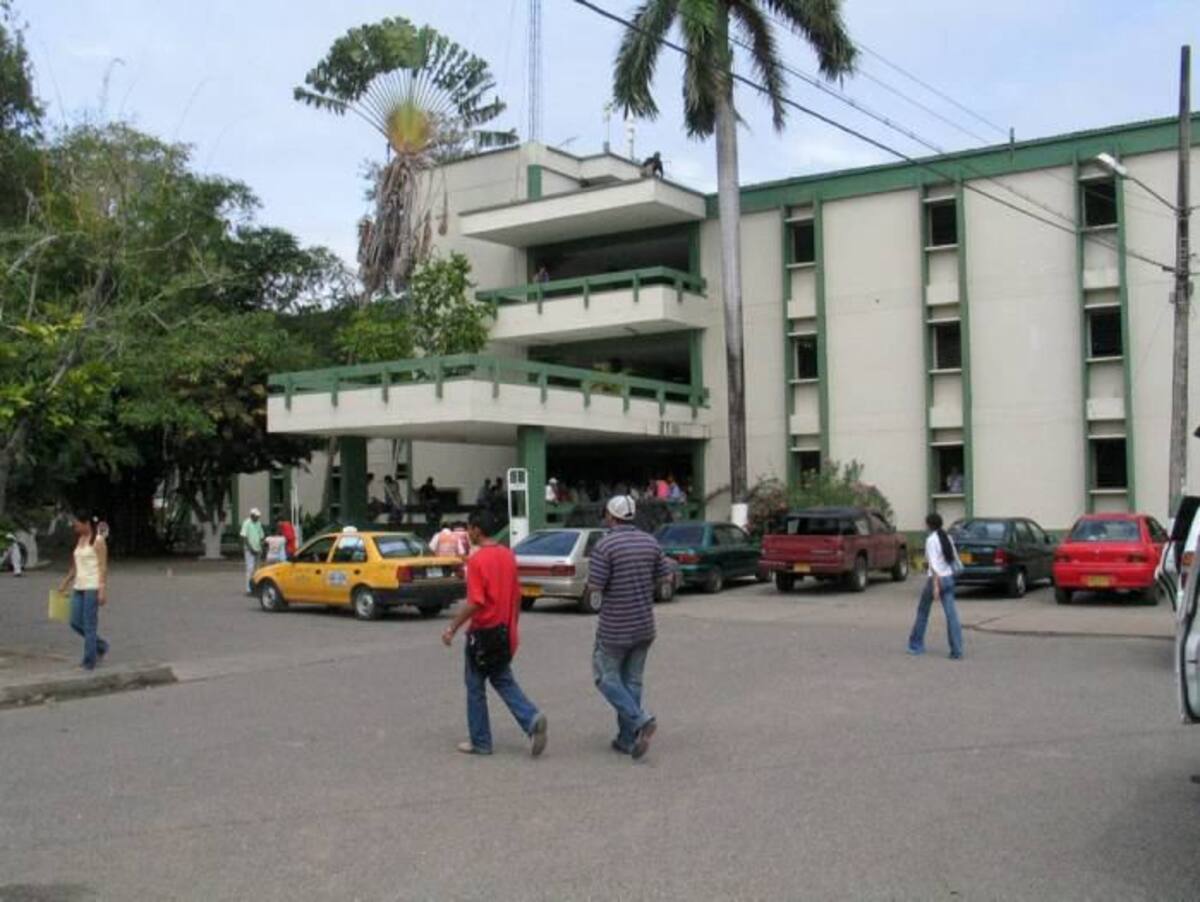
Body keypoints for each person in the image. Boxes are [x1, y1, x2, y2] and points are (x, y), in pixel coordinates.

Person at [441, 509, 548, 757]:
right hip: (504, 631)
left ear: (477, 530)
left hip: (482, 633)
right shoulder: (508, 555)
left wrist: (452, 627)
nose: (468, 533)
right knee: (502, 678)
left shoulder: (478, 561)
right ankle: (531, 719)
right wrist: (513, 626)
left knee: (475, 686)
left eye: (469, 528)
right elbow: (517, 596)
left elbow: (476, 601)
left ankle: (481, 741)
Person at [587, 495, 676, 760]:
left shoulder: (606, 545)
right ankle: (627, 740)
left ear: (610, 516)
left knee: (605, 678)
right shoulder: (650, 542)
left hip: (615, 627)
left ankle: (640, 720)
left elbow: (595, 586)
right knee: (632, 681)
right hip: (644, 625)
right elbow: (666, 577)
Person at [57, 511, 110, 671]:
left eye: (77, 524)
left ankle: (89, 662)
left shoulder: (98, 541)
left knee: (89, 624)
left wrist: (102, 589)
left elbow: (103, 567)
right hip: (78, 586)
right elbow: (74, 566)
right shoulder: (80, 540)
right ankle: (100, 646)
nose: (75, 526)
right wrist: (65, 583)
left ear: (86, 523)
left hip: (92, 587)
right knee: (75, 621)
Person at [907, 512, 965, 660]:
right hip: (949, 578)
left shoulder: (931, 540)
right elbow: (952, 559)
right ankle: (957, 649)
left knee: (923, 612)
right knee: (952, 615)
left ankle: (916, 644)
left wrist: (935, 586)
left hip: (937, 579)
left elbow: (933, 566)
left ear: (929, 525)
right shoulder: (947, 537)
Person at [239, 508, 265, 596]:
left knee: (258, 570)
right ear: (251, 515)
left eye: (258, 516)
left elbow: (261, 536)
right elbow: (244, 537)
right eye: (256, 516)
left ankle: (257, 588)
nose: (258, 518)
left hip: (257, 549)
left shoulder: (258, 523)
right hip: (249, 550)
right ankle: (248, 589)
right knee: (250, 569)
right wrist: (251, 549)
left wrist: (261, 547)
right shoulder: (246, 523)